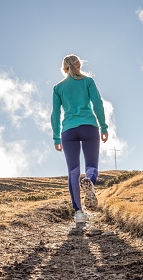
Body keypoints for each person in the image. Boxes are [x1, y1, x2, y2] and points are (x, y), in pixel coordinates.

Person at [51, 54, 109, 223]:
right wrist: (103, 126)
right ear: (79, 66)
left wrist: (56, 137)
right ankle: (89, 181)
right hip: (89, 127)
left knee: (73, 172)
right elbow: (98, 103)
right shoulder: (88, 82)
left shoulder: (58, 88)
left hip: (68, 131)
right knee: (91, 165)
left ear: (64, 69)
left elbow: (55, 114)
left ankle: (79, 213)